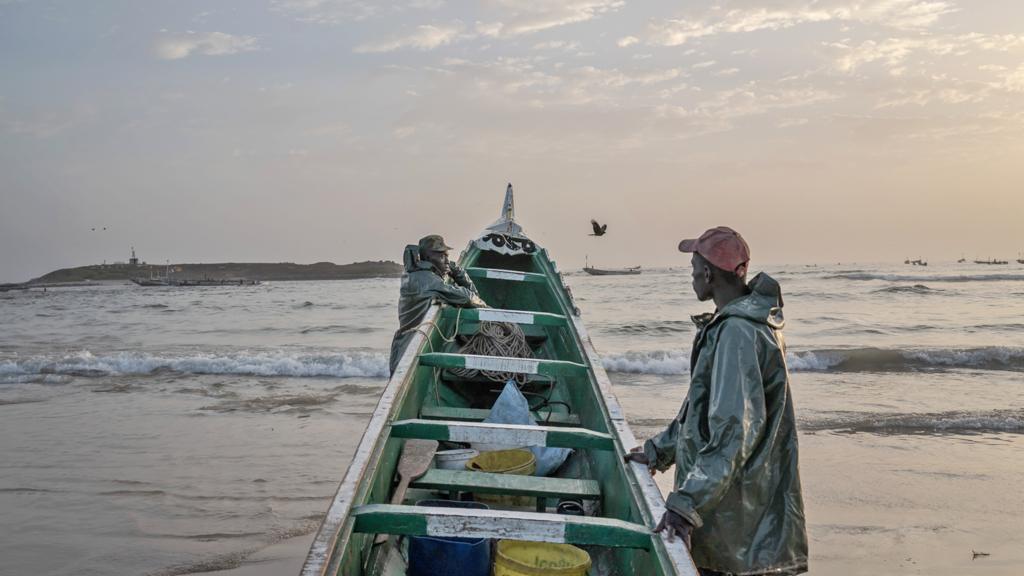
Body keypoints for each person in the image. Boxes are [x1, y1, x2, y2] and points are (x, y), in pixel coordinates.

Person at [626, 226, 808, 576]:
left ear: (707, 273)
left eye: (693, 265)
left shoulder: (737, 333)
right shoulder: (745, 324)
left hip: (737, 520)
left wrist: (686, 506)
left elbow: (732, 430)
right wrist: (658, 450)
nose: (691, 274)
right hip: (745, 506)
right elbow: (701, 410)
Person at [388, 234, 487, 375]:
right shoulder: (428, 280)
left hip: (403, 344)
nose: (447, 261)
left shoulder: (413, 274)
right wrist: (458, 272)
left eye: (447, 256)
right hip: (410, 347)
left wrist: (449, 268)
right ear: (428, 259)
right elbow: (470, 297)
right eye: (442, 256)